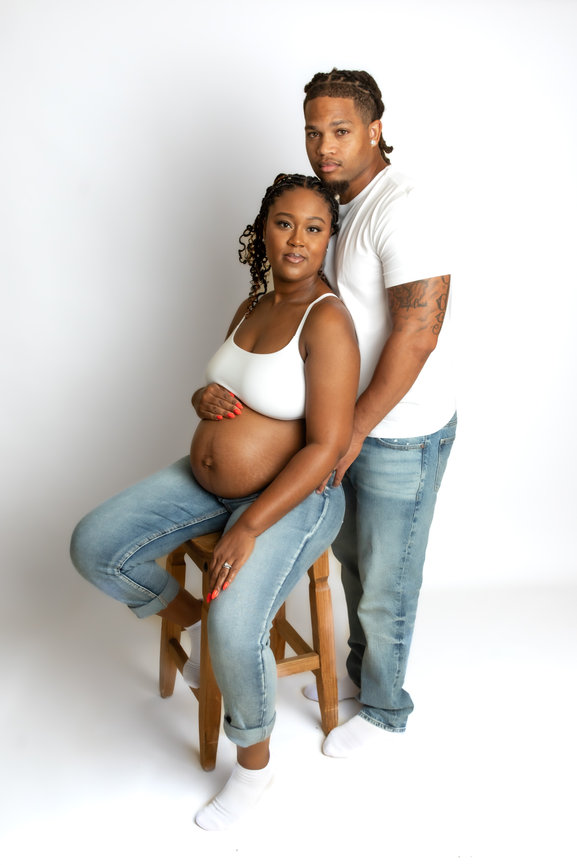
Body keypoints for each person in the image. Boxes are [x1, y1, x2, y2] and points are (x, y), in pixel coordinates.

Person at [70, 173, 360, 829]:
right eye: (285, 223)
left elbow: (325, 446)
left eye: (314, 228)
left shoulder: (327, 320)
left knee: (233, 618)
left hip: (296, 496)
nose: (297, 239)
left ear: (327, 241)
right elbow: (226, 387)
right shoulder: (253, 303)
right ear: (264, 229)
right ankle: (193, 620)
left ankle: (253, 767)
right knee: (95, 543)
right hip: (208, 485)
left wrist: (250, 525)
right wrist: (201, 398)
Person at [301, 69, 457, 757]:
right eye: (313, 132)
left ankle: (387, 710)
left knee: (386, 584)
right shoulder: (344, 203)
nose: (324, 146)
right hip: (357, 425)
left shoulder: (402, 206)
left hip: (401, 432)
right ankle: (365, 679)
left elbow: (418, 332)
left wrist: (357, 427)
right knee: (355, 566)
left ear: (375, 130)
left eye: (340, 131)